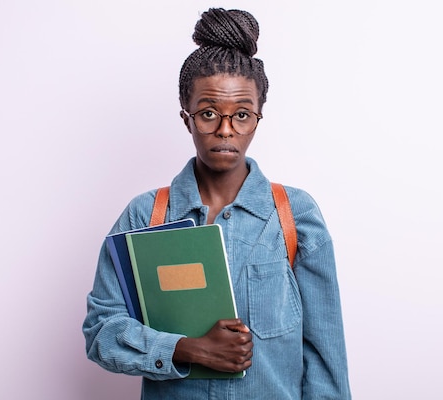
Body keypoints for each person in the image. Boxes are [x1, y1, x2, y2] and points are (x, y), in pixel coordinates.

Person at [83, 7, 351, 399]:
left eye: (241, 114)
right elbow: (101, 329)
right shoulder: (146, 215)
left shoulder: (295, 216)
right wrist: (187, 349)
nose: (225, 130)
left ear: (258, 118)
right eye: (208, 113)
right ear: (186, 118)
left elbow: (326, 358)